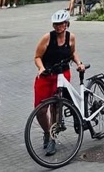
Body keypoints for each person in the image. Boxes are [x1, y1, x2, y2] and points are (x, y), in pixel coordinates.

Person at [33, 10, 85, 156]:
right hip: (46, 75)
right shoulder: (47, 38)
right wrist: (41, 68)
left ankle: (52, 138)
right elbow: (37, 57)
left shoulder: (71, 37)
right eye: (56, 24)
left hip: (62, 75)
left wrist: (79, 63)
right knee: (40, 110)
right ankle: (46, 132)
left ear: (66, 24)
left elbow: (72, 52)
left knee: (56, 106)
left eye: (61, 24)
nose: (58, 26)